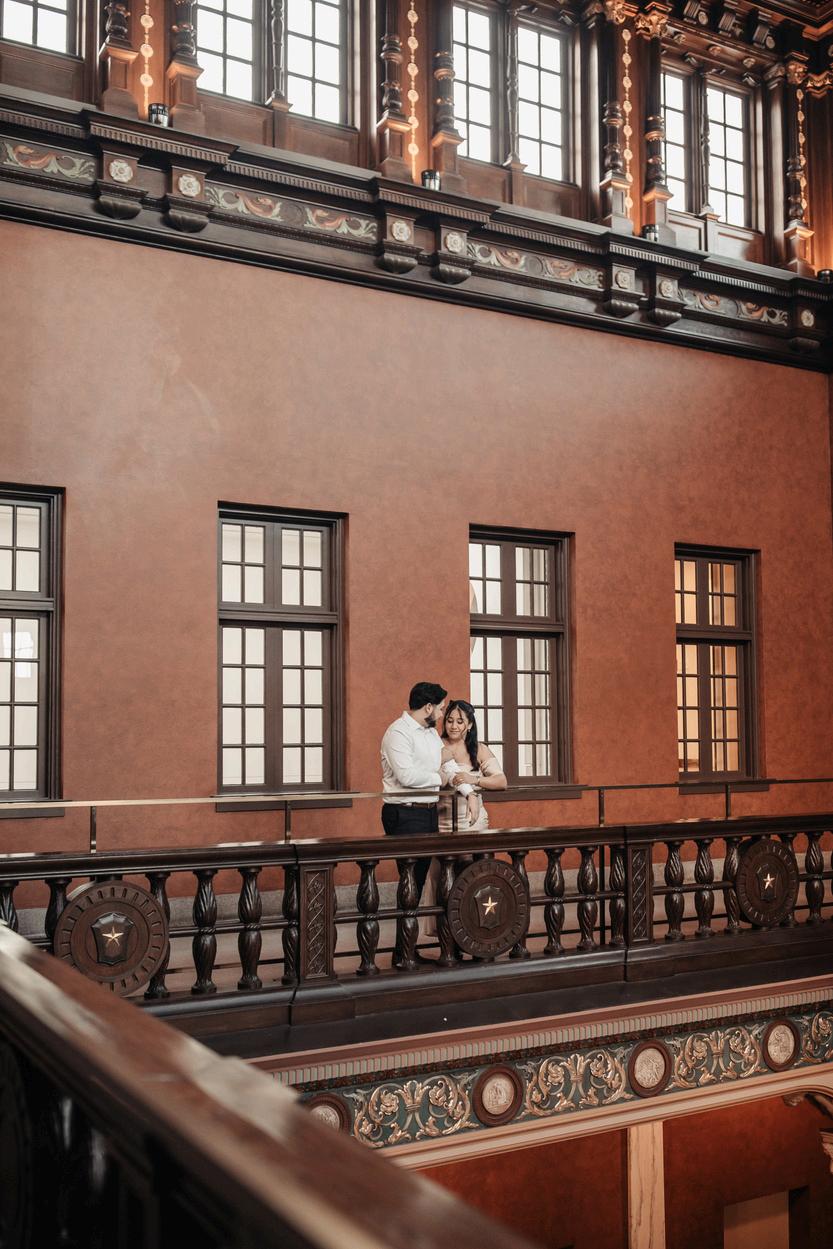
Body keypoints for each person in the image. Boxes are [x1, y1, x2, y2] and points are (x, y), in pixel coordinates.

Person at [380, 682, 447, 965]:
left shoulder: (430, 732)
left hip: (428, 812)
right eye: (441, 708)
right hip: (404, 814)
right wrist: (439, 779)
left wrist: (467, 788)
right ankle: (403, 954)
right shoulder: (397, 733)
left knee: (417, 882)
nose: (442, 714)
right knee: (409, 881)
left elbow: (447, 763)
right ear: (428, 707)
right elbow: (406, 776)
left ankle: (405, 949)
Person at [438, 699, 507, 833]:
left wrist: (474, 779)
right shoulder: (435, 744)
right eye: (450, 721)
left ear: (469, 724)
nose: (453, 726)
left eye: (460, 722)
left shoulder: (480, 749)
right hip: (439, 822)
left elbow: (501, 781)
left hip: (473, 821)